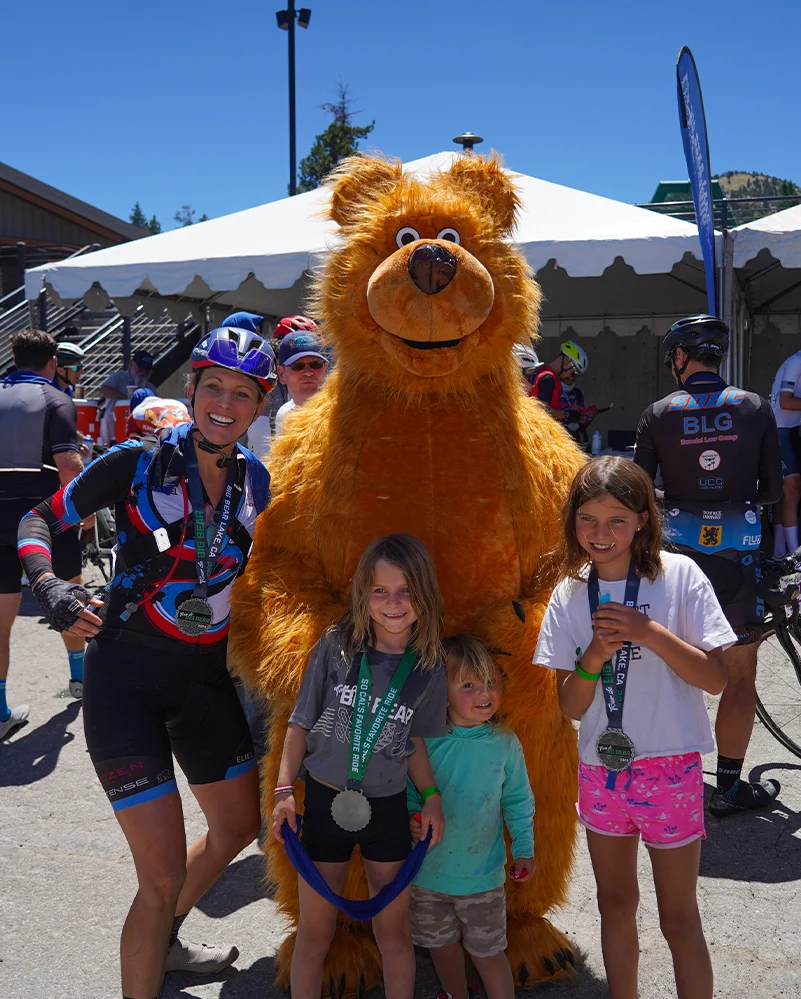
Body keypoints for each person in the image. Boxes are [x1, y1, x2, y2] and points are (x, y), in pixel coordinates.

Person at [18, 326, 277, 998]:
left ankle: (168, 938)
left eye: (241, 393)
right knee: (157, 877)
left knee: (237, 827)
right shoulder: (136, 462)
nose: (224, 402)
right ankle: (155, 937)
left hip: (203, 679)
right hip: (125, 680)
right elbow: (37, 521)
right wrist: (50, 586)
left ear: (258, 404)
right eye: (212, 386)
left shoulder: (258, 483)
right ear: (191, 389)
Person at [534, 456, 733, 999]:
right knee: (614, 904)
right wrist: (594, 657)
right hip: (603, 772)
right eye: (588, 520)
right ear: (572, 522)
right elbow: (571, 706)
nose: (602, 534)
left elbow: (716, 679)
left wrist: (649, 632)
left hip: (669, 766)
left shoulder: (680, 577)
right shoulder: (570, 593)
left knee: (677, 915)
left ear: (644, 518)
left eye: (617, 520)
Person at [271, 533, 448, 999]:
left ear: (425, 594)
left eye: (407, 590)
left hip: (387, 809)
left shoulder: (429, 665)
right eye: (381, 590)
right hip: (327, 802)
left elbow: (413, 742)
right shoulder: (337, 646)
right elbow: (300, 722)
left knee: (393, 935)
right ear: (363, 594)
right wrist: (284, 791)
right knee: (316, 932)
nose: (394, 602)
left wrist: (432, 798)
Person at [634, 314, 783, 818]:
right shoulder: (754, 407)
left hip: (677, 555)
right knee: (740, 675)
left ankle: (656, 775)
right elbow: (774, 489)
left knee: (668, 662)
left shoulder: (657, 412)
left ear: (679, 357)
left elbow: (638, 490)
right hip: (737, 554)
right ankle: (727, 787)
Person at [407, 635, 534, 999]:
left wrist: (524, 849)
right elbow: (409, 793)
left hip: (483, 881)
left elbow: (518, 800)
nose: (485, 692)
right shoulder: (423, 743)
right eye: (468, 684)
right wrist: (410, 820)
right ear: (440, 692)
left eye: (491, 682)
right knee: (442, 951)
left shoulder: (505, 742)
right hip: (427, 878)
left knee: (489, 955)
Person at [0, 330, 91, 740]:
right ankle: (80, 680)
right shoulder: (57, 399)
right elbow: (70, 466)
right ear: (53, 361)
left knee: (1, 618)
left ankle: (1, 710)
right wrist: (85, 513)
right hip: (46, 522)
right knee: (69, 595)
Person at [768, 348, 801, 557]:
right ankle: (794, 555)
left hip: (791, 431)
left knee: (783, 494)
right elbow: (785, 401)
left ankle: (780, 554)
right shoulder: (796, 361)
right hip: (779, 431)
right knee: (792, 490)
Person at [529, 341, 595, 438]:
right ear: (567, 362)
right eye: (574, 373)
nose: (572, 378)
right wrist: (568, 414)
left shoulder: (542, 373)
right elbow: (541, 412)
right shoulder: (548, 378)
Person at [274, 327, 329, 434]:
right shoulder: (284, 415)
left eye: (315, 364)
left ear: (326, 369)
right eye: (298, 366)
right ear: (281, 374)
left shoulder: (343, 413)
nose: (308, 372)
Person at [126, 389, 191, 438]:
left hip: (170, 437)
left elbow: (134, 443)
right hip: (192, 431)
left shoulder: (135, 413)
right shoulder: (174, 403)